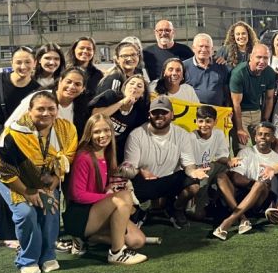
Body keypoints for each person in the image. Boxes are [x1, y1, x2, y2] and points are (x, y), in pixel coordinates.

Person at [0, 91, 77, 273]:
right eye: (40, 109)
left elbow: (66, 160)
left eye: (51, 109)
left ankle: (47, 255)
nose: (46, 113)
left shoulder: (67, 129)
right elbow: (6, 169)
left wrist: (51, 188)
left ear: (57, 110)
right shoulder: (14, 133)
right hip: (12, 178)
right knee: (26, 213)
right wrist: (28, 192)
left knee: (50, 209)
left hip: (45, 179)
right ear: (29, 111)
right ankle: (28, 259)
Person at [65, 114, 147, 265]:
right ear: (89, 133)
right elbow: (77, 195)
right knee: (123, 198)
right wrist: (113, 198)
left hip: (99, 211)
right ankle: (116, 252)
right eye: (97, 132)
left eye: (106, 130)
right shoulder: (84, 156)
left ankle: (89, 239)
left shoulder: (109, 154)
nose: (102, 135)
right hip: (80, 215)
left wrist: (112, 191)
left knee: (137, 241)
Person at [120, 96, 207, 229]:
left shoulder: (182, 134)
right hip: (145, 182)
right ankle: (141, 209)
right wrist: (139, 171)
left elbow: (188, 164)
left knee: (193, 183)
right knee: (130, 181)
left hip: (169, 180)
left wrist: (193, 171)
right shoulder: (136, 135)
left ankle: (176, 208)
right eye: (155, 112)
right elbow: (127, 168)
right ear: (149, 115)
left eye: (164, 112)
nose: (159, 116)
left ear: (172, 114)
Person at [0, 47, 39, 248]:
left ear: (34, 64)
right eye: (18, 62)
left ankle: (7, 234)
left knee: (7, 184)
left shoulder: (36, 90)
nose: (23, 66)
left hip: (15, 143)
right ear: (11, 63)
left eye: (27, 62)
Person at [213, 122, 278, 240]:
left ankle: (227, 222)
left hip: (259, 200)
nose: (263, 137)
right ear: (255, 137)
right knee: (221, 176)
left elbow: (277, 187)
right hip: (240, 196)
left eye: (267, 135)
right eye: (260, 134)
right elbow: (236, 178)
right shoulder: (245, 152)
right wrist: (253, 184)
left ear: (273, 138)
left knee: (260, 184)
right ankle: (242, 218)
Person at [6, 67, 90, 136]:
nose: (72, 86)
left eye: (77, 84)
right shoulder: (38, 98)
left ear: (83, 89)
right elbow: (9, 125)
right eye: (68, 82)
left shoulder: (80, 109)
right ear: (60, 81)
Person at [89, 74, 149, 163]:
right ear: (125, 87)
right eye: (132, 83)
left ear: (142, 94)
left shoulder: (137, 113)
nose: (134, 87)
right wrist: (121, 103)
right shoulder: (111, 95)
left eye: (139, 86)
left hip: (111, 152)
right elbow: (95, 115)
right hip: (92, 145)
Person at [230, 44, 277, 150]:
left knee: (263, 146)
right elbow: (236, 104)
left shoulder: (269, 72)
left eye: (265, 58)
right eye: (259, 57)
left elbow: (269, 98)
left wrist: (265, 120)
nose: (262, 61)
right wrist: (239, 128)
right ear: (251, 57)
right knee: (242, 148)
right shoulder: (239, 73)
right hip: (241, 114)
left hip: (257, 112)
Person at [188, 106, 232, 220]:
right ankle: (198, 205)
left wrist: (230, 161)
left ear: (215, 122)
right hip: (194, 170)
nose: (204, 125)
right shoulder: (191, 137)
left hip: (210, 167)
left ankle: (221, 203)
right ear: (196, 121)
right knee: (210, 168)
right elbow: (187, 163)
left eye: (208, 121)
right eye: (201, 121)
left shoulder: (219, 134)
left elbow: (221, 157)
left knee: (224, 170)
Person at [184, 33, 229, 107]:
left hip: (218, 112)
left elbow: (227, 92)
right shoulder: (184, 67)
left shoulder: (221, 66)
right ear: (193, 48)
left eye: (207, 47)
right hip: (193, 112)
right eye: (201, 46)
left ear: (212, 49)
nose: (204, 50)